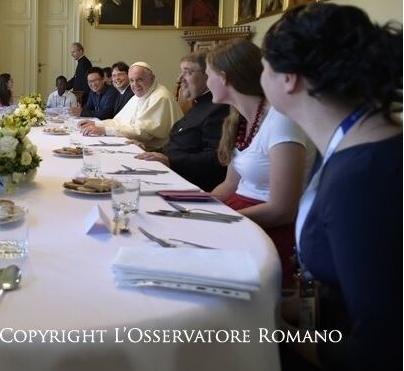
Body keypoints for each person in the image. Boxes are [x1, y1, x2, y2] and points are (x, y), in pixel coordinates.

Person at [261, 3, 401, 371]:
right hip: (323, 331)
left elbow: (380, 351)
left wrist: (264, 329)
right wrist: (268, 302)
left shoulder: (364, 177)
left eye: (264, 67)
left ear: (289, 77)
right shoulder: (349, 144)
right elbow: (332, 283)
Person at [207, 39, 310, 288]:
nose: (206, 82)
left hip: (267, 225)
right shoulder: (238, 121)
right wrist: (197, 209)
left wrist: (224, 220)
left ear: (224, 78)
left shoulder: (281, 122)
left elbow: (283, 210)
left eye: (208, 75)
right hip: (240, 212)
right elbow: (229, 184)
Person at [135, 52, 229, 191]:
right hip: (171, 174)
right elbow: (178, 145)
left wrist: (170, 161)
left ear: (207, 75)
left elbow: (217, 159)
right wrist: (148, 150)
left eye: (187, 72)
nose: (179, 79)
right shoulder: (199, 104)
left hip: (188, 184)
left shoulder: (218, 109)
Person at [81, 62, 182, 149]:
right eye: (132, 80)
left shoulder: (160, 97)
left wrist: (104, 130)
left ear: (152, 78)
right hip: (138, 145)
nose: (135, 84)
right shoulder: (138, 96)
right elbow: (118, 121)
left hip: (157, 150)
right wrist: (96, 124)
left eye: (140, 79)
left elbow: (143, 133)